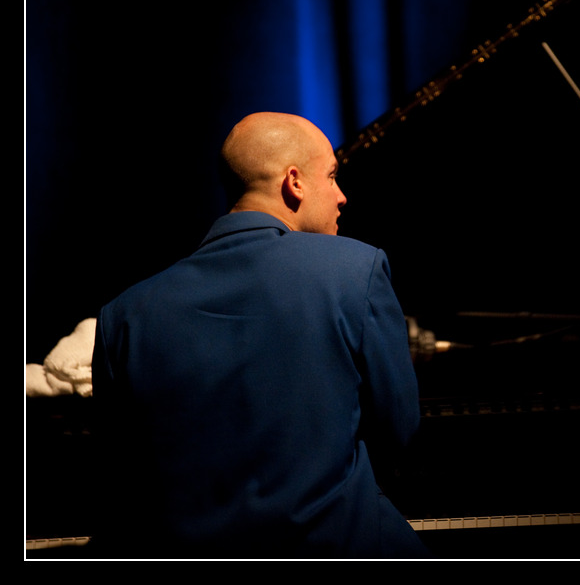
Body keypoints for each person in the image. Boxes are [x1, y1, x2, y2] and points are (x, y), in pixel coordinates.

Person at [90, 112, 430, 558]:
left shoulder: (123, 315)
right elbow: (398, 435)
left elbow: (120, 474)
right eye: (332, 176)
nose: (342, 195)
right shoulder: (356, 269)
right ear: (294, 182)